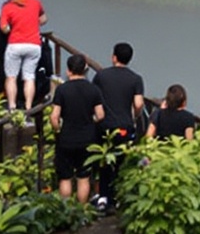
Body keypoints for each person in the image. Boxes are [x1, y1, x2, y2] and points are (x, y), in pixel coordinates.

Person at [90, 42, 146, 209]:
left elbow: (94, 99)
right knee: (122, 161)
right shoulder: (136, 79)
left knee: (104, 160)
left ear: (114, 57)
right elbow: (138, 104)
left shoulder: (101, 76)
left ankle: (103, 197)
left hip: (104, 125)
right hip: (125, 126)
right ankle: (120, 196)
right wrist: (135, 117)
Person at [48, 54, 103, 203]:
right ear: (85, 69)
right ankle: (82, 210)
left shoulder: (62, 90)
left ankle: (66, 210)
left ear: (68, 71)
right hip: (88, 138)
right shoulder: (93, 89)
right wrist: (90, 120)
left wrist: (57, 130)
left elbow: (54, 116)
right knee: (83, 177)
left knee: (65, 177)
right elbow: (100, 115)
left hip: (67, 137)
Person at [0, 0, 45, 113]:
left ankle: (12, 107)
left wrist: (12, 27)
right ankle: (28, 107)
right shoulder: (35, 2)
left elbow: (4, 28)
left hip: (15, 44)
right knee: (29, 77)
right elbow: (43, 19)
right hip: (34, 44)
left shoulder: (8, 7)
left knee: (11, 77)